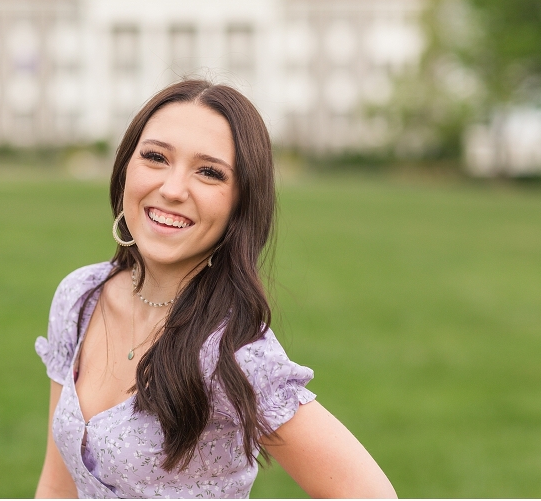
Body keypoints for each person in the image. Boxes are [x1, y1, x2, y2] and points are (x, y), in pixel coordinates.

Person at [34, 79, 396, 498]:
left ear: (240, 204)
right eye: (155, 157)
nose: (172, 189)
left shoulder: (234, 352)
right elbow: (56, 486)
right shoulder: (80, 297)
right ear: (125, 167)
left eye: (209, 172)